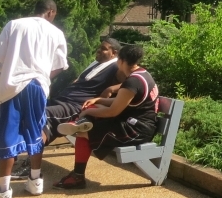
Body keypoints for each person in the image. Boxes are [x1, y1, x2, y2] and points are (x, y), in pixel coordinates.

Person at [0, 0, 68, 198]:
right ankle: (35, 182)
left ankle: (3, 192)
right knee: (36, 130)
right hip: (38, 86)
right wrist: (43, 76)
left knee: (7, 134)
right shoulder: (56, 33)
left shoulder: (15, 24)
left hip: (12, 86)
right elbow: (60, 65)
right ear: (51, 12)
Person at [9, 37, 122, 179]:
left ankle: (30, 166)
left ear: (114, 53)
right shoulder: (97, 64)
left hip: (75, 107)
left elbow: (134, 78)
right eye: (99, 47)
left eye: (104, 48)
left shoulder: (116, 66)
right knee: (23, 111)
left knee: (41, 116)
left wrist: (112, 88)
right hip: (62, 101)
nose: (99, 50)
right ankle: (9, 155)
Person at [54, 43, 159, 189]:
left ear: (121, 61)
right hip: (134, 123)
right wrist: (99, 100)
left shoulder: (132, 82)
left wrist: (87, 112)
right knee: (95, 108)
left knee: (84, 132)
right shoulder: (142, 74)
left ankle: (78, 176)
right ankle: (79, 123)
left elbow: (113, 112)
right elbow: (120, 101)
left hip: (135, 131)